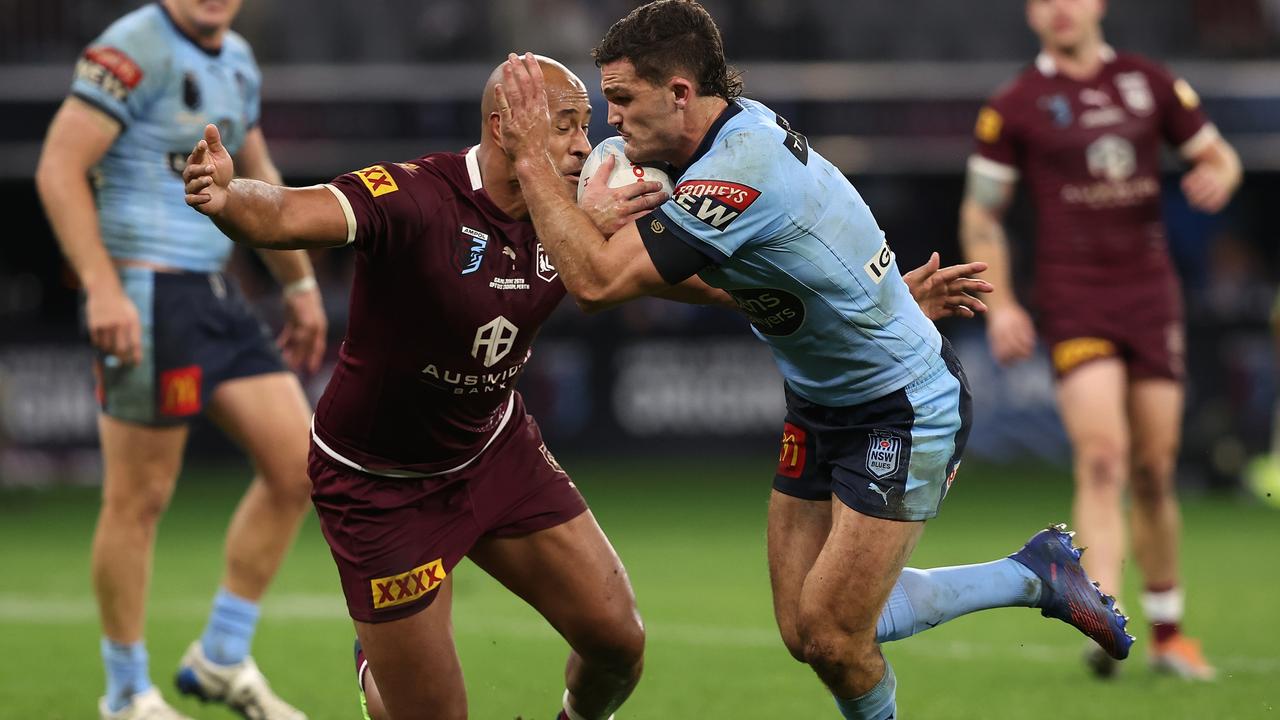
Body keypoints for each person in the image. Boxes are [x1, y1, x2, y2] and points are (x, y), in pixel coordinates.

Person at [182, 49, 1002, 719]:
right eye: (566, 124)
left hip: (494, 454)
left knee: (619, 643)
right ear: (505, 127)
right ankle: (380, 666)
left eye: (587, 122)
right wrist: (228, 199)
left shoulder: (575, 211)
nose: (586, 143)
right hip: (380, 484)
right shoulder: (416, 197)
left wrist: (870, 302)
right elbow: (289, 212)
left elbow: (708, 282)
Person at [490, 1, 1133, 717]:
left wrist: (527, 158)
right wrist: (878, 291)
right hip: (820, 403)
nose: (611, 121)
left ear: (679, 92)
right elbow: (752, 268)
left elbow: (597, 283)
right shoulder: (724, 143)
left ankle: (1033, 578)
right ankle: (1034, 574)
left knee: (834, 636)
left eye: (621, 99)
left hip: (903, 403)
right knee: (805, 627)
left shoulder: (740, 169)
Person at [34, 2, 320, 718]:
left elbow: (257, 171)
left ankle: (221, 656)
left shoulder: (240, 60)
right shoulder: (133, 44)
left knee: (300, 466)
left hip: (216, 291)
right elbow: (59, 167)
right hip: (145, 289)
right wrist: (102, 286)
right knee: (141, 498)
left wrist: (301, 283)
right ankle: (126, 691)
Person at [959, 0, 1241, 680]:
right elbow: (982, 211)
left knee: (1152, 468)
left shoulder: (1148, 81)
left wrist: (1219, 176)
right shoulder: (1015, 104)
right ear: (1031, 14)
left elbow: (1219, 156)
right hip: (1074, 297)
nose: (1060, 8)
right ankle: (1103, 611)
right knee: (1105, 455)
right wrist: (1003, 307)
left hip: (1149, 296)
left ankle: (1169, 632)